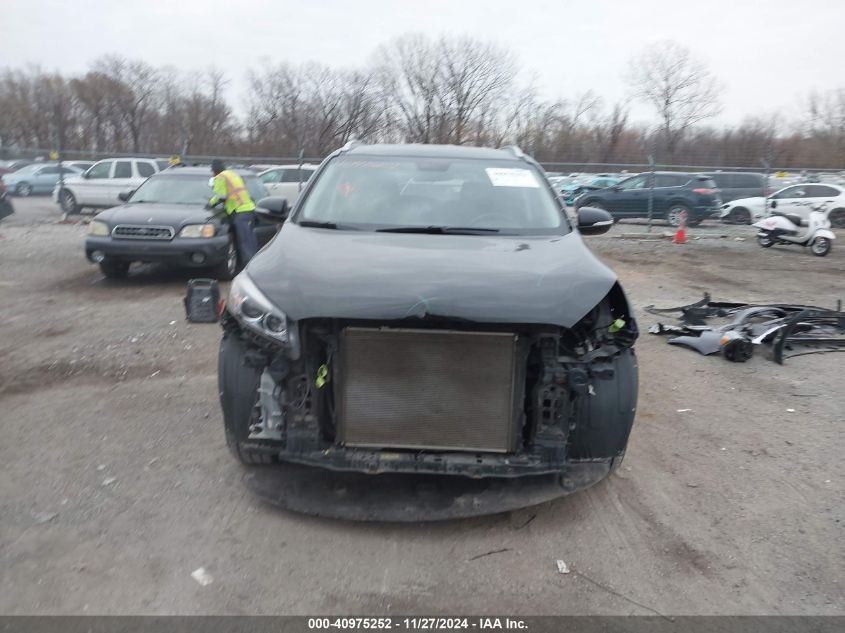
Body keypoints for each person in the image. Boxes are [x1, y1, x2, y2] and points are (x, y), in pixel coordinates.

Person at [208, 159, 259, 264]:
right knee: (250, 239)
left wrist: (210, 203)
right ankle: (254, 262)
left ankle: (249, 265)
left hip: (241, 211)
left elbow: (221, 196)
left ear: (215, 170)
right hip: (249, 209)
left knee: (245, 241)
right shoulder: (232, 174)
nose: (213, 174)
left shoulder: (220, 177)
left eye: (212, 171)